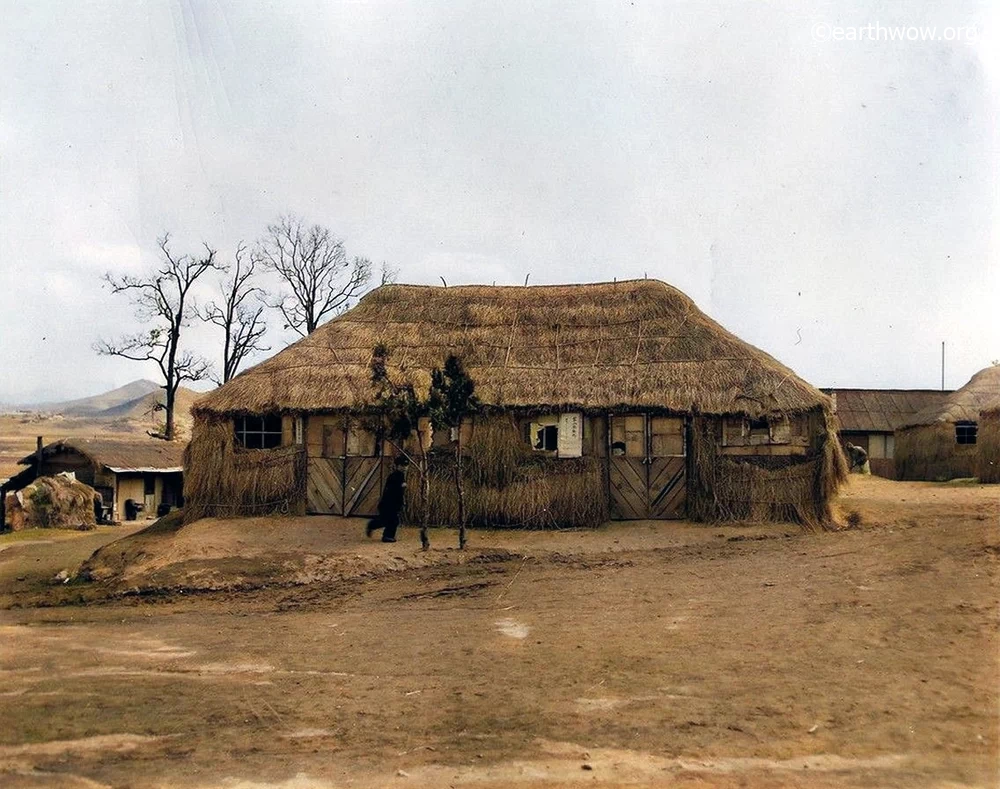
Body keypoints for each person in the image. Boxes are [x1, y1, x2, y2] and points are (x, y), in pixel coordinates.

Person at [366, 455, 409, 543]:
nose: (404, 468)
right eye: (402, 466)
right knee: (391, 520)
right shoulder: (394, 476)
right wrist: (400, 486)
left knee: (388, 520)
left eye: (406, 466)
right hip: (388, 503)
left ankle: (375, 527)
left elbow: (400, 493)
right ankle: (386, 535)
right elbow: (391, 490)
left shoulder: (401, 476)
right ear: (397, 466)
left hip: (394, 503)